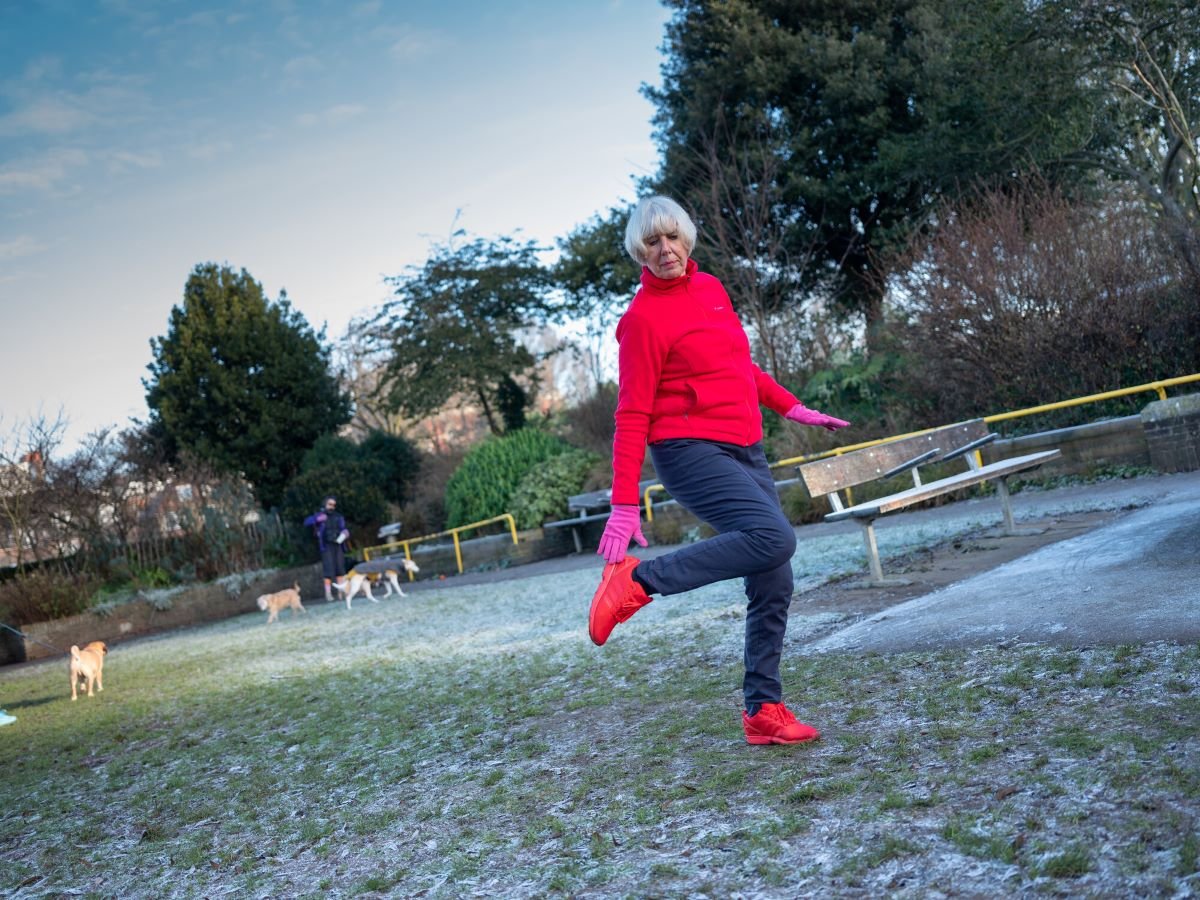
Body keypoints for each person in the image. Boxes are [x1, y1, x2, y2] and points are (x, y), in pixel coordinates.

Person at [588, 195, 851, 746]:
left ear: (687, 239)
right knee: (772, 536)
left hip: (745, 445)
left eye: (673, 238)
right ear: (641, 251)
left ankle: (763, 710)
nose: (666, 250)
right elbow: (632, 412)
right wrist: (621, 503)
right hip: (687, 449)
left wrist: (792, 407)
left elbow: (739, 367)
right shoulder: (641, 321)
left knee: (774, 572)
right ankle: (637, 580)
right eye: (653, 242)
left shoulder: (711, 291)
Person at [304, 495, 350, 602]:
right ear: (325, 504)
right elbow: (307, 522)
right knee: (328, 571)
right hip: (326, 546)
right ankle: (328, 594)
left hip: (338, 544)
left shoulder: (338, 516)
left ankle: (341, 592)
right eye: (330, 504)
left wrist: (345, 532)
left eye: (334, 505)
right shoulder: (320, 515)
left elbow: (343, 528)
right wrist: (317, 519)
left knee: (340, 570)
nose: (332, 507)